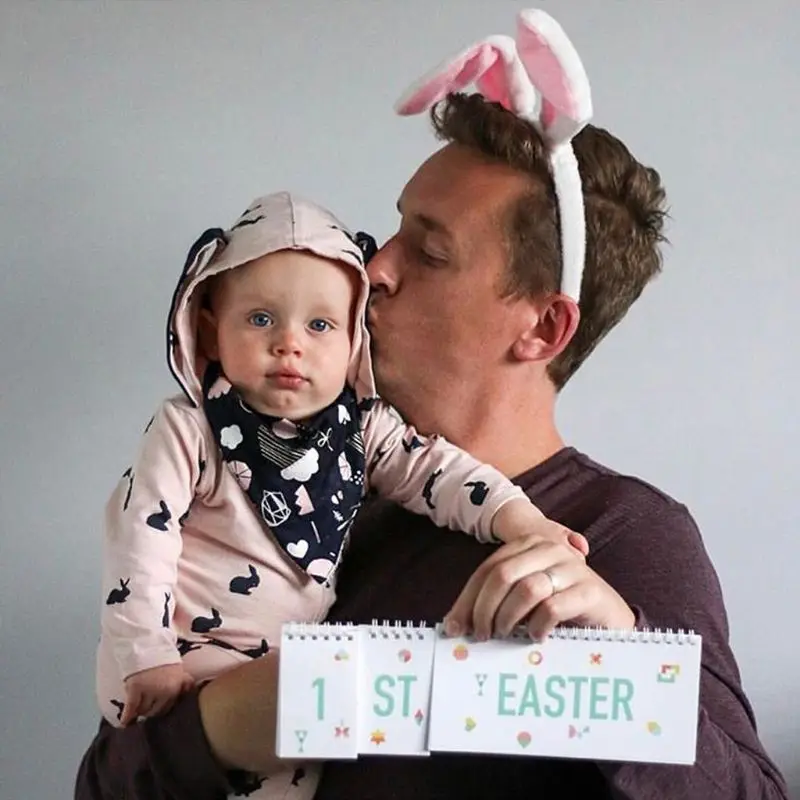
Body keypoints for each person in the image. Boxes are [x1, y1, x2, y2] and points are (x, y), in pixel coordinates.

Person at [75, 15, 789, 799]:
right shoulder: (311, 486)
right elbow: (102, 780)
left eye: (429, 250)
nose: (372, 269)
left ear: (543, 328)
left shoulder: (620, 534)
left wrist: (622, 661)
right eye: (390, 233)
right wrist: (224, 727)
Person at [93, 191, 587, 800]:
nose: (289, 344)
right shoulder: (191, 430)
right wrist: (145, 651)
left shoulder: (361, 431)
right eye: (260, 319)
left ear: (354, 341)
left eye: (320, 325)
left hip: (292, 684)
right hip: (182, 659)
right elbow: (140, 533)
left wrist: (523, 521)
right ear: (210, 332)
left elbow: (441, 472)